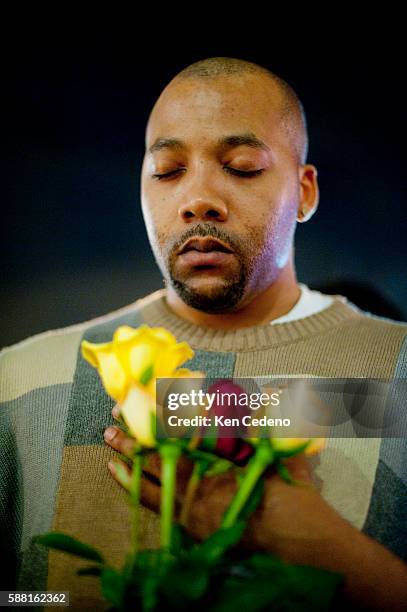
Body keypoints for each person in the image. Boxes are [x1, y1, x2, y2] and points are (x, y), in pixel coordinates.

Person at [1, 57, 406, 610]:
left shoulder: (398, 375)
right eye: (167, 171)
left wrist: (333, 554)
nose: (197, 199)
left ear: (306, 192)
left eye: (241, 167)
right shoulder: (18, 382)